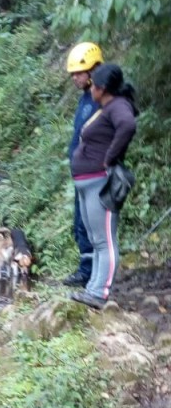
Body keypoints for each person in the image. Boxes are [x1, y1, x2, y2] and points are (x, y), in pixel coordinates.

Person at [70, 63, 138, 310]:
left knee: (105, 240)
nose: (92, 90)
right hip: (86, 182)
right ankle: (93, 288)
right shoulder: (106, 106)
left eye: (95, 86)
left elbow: (128, 126)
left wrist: (109, 159)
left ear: (103, 88)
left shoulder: (118, 106)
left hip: (100, 181)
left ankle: (100, 292)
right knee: (95, 238)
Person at [63, 42, 104, 288]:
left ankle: (94, 275)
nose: (75, 78)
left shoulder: (101, 100)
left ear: (94, 70)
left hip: (95, 173)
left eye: (79, 73)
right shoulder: (85, 100)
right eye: (73, 74)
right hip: (81, 173)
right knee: (80, 223)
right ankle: (85, 270)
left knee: (93, 225)